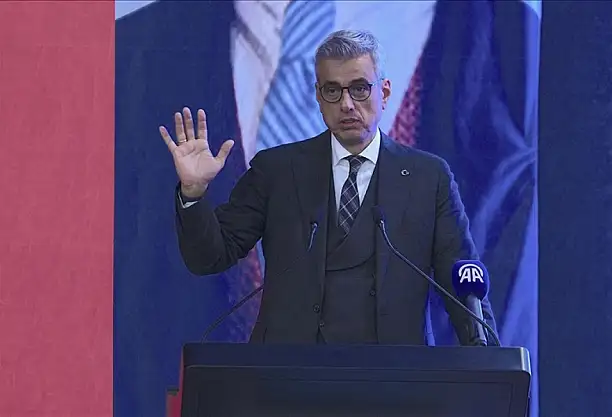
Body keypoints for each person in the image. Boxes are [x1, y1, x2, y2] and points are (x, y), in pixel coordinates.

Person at [159, 29, 498, 345]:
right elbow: (210, 257)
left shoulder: (429, 178)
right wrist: (193, 194)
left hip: (394, 375)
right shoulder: (276, 170)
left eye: (360, 88)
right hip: (290, 374)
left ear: (384, 92)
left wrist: (489, 366)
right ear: (318, 98)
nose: (347, 104)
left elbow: (464, 283)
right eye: (332, 91)